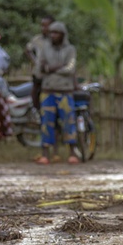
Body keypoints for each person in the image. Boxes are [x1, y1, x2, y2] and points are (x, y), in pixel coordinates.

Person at [35, 21, 79, 165]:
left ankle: (72, 153)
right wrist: (57, 67)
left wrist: (50, 68)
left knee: (68, 121)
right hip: (48, 90)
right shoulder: (45, 48)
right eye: (51, 33)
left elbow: (70, 69)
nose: (53, 35)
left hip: (65, 91)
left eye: (56, 33)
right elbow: (39, 69)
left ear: (62, 34)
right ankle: (45, 154)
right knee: (47, 122)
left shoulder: (70, 49)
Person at [25, 15, 54, 112]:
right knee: (36, 92)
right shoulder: (37, 39)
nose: (44, 28)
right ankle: (36, 110)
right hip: (39, 74)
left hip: (52, 75)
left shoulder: (56, 40)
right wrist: (34, 61)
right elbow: (28, 50)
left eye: (47, 26)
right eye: (42, 26)